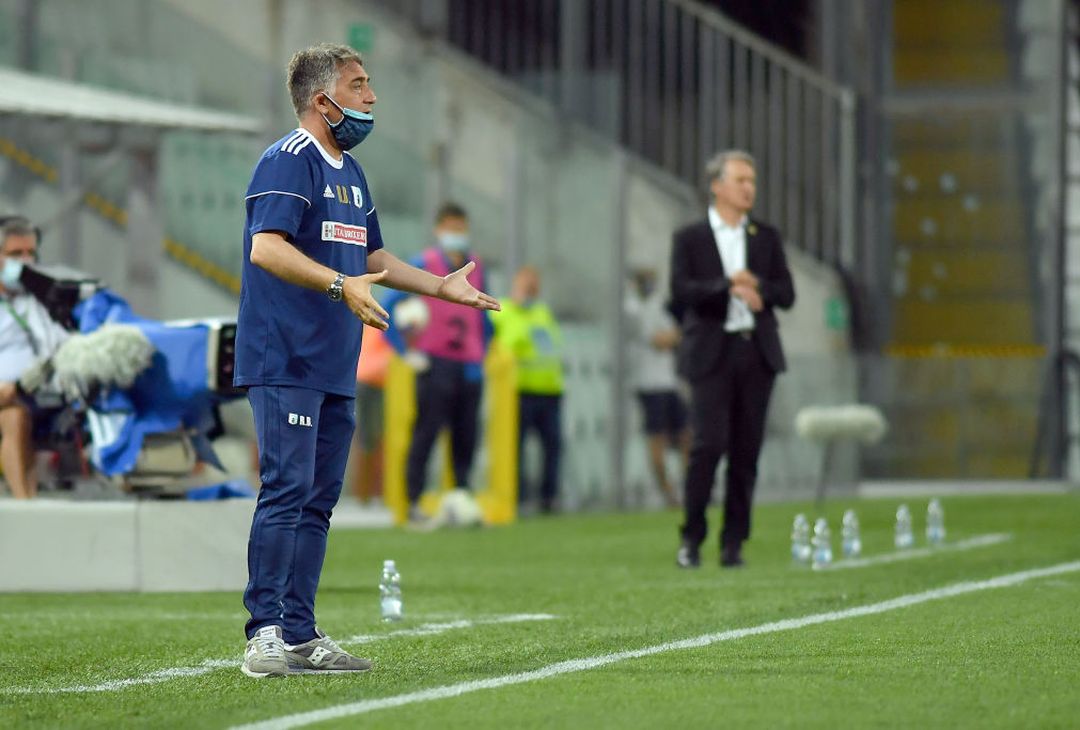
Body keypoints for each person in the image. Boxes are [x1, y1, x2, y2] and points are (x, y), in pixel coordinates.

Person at [234, 44, 499, 678]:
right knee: (287, 491)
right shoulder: (288, 161)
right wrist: (336, 284)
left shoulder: (351, 174)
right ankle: (263, 634)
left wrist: (440, 288)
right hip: (285, 358)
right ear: (323, 101)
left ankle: (300, 633)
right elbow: (266, 249)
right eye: (359, 85)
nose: (371, 97)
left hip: (333, 362)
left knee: (321, 497)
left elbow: (374, 262)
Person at [669, 150, 795, 569]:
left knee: (746, 451)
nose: (748, 189)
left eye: (752, 181)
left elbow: (787, 293)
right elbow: (681, 293)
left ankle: (734, 541)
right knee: (707, 446)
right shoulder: (689, 238)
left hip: (755, 352)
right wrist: (726, 285)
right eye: (740, 180)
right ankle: (691, 537)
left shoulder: (766, 236)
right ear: (717, 185)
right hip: (711, 353)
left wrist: (761, 291)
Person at [383, 203, 491, 523]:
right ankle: (413, 501)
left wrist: (482, 354)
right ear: (439, 229)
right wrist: (406, 351)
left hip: (469, 366)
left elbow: (485, 317)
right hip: (436, 364)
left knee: (466, 438)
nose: (456, 234)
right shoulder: (424, 263)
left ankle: (461, 501)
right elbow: (389, 303)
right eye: (451, 227)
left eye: (461, 227)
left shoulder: (477, 268)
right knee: (426, 434)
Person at [0, 216, 69, 499]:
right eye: (16, 254)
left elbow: (63, 346)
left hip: (39, 394)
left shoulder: (43, 300)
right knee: (13, 415)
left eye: (31, 253)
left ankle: (26, 504)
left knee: (16, 413)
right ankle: (25, 503)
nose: (26, 261)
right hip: (7, 394)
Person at [492, 266, 563, 514]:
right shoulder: (502, 311)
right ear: (516, 284)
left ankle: (549, 498)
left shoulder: (542, 311)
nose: (531, 289)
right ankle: (517, 496)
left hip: (550, 390)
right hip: (519, 391)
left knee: (553, 446)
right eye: (526, 284)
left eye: (535, 284)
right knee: (516, 447)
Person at [624, 266, 688, 509]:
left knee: (686, 436)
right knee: (657, 439)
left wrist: (672, 336)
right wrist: (670, 337)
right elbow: (660, 340)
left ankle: (686, 488)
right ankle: (668, 493)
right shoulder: (631, 309)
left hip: (669, 382)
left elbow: (677, 334)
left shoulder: (658, 305)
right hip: (648, 384)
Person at [352, 324, 391, 503]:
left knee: (368, 438)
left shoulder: (372, 320)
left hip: (365, 378)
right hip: (373, 382)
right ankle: (370, 493)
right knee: (373, 438)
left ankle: (368, 493)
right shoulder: (388, 321)